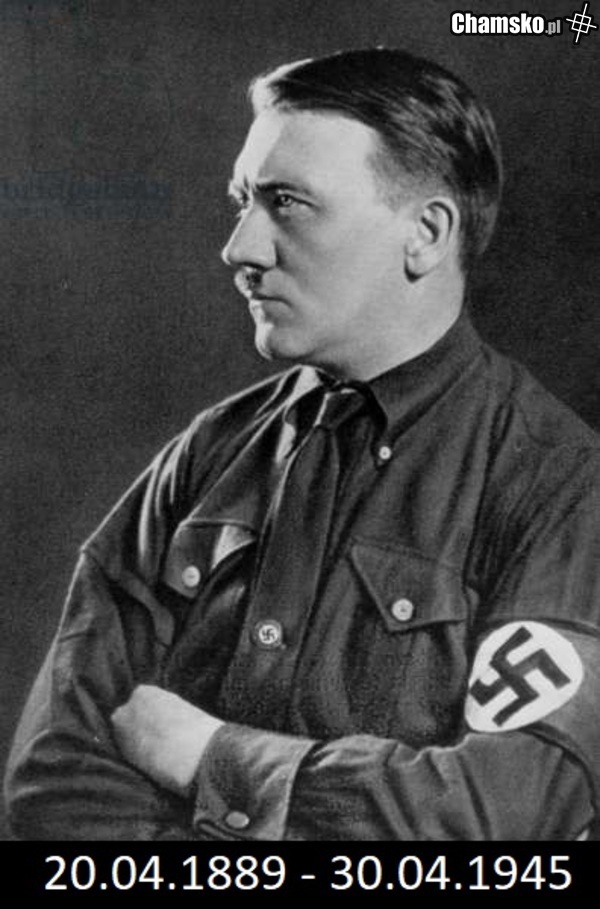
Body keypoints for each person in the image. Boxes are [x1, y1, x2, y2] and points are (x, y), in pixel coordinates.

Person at [5, 46, 600, 842]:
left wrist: (213, 755)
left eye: (287, 202)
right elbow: (54, 780)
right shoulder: (210, 454)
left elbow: (509, 813)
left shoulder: (561, 484)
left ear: (426, 234)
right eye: (241, 201)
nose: (240, 248)